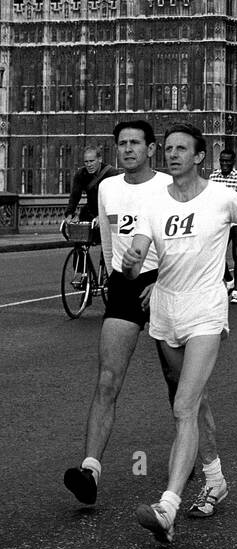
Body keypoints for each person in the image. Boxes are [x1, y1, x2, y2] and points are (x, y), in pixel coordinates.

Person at [121, 123, 237, 544]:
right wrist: (134, 264)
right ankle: (215, 478)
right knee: (191, 400)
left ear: (199, 156)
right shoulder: (153, 202)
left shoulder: (223, 197)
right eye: (168, 149)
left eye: (181, 149)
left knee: (184, 407)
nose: (172, 155)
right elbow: (136, 257)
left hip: (207, 308)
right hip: (165, 310)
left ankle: (166, 506)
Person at [63, 120, 174, 506]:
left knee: (180, 388)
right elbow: (110, 241)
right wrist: (113, 279)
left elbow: (187, 242)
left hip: (166, 284)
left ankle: (204, 463)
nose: (128, 150)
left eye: (135, 143)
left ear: (151, 149)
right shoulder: (108, 187)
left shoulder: (167, 186)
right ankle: (90, 470)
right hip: (125, 286)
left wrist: (162, 283)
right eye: (122, 144)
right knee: (107, 380)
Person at [207, 145, 237, 304]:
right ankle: (229, 280)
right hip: (221, 222)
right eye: (222, 161)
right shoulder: (213, 178)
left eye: (228, 161)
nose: (224, 164)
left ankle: (236, 292)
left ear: (233, 162)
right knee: (217, 255)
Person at [62, 144, 117, 232]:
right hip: (90, 211)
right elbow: (75, 196)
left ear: (100, 159)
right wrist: (69, 214)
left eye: (92, 161)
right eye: (86, 162)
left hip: (109, 212)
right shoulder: (81, 174)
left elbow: (115, 199)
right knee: (80, 238)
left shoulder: (111, 173)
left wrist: (102, 216)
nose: (89, 165)